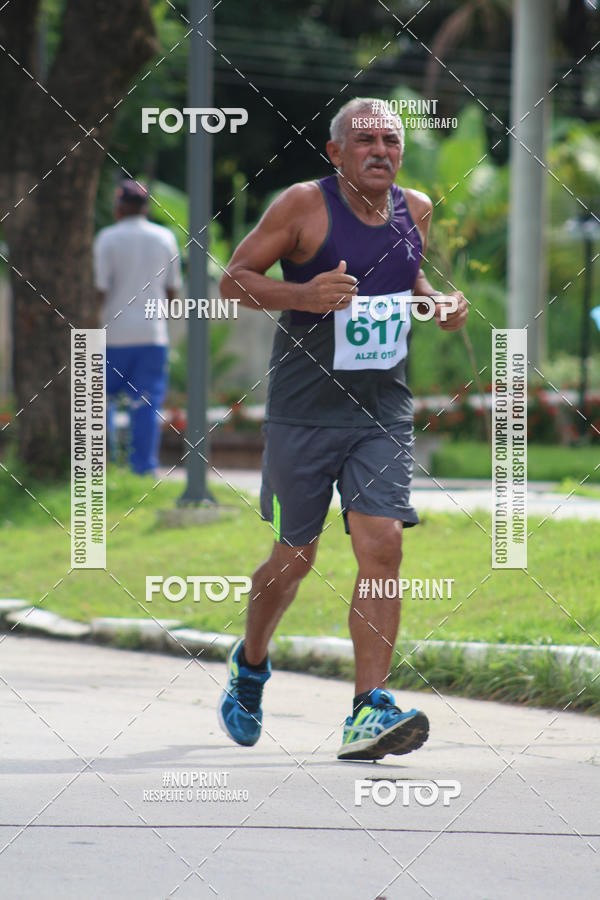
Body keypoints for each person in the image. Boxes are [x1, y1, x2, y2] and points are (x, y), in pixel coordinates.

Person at [218, 98, 468, 760]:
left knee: (382, 543)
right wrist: (302, 295)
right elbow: (232, 280)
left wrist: (434, 301)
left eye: (392, 139)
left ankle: (368, 709)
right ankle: (250, 665)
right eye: (365, 140)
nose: (381, 150)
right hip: (304, 412)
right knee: (295, 557)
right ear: (336, 152)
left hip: (381, 408)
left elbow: (404, 274)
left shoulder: (415, 207)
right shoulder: (302, 206)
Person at [94, 179, 183, 475]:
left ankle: (104, 466)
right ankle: (143, 470)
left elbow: (100, 290)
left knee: (100, 403)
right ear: (146, 208)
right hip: (152, 336)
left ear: (119, 207)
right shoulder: (165, 238)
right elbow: (172, 290)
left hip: (112, 335)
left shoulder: (107, 238)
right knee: (145, 405)